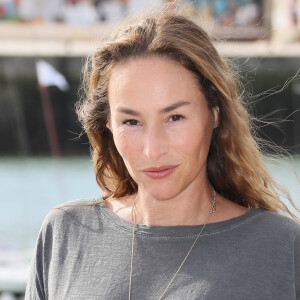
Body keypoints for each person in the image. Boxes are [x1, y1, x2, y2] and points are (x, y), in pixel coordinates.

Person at [25, 7, 300, 300]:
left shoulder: (281, 247)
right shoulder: (64, 234)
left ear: (215, 113)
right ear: (108, 125)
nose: (152, 149)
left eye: (175, 117)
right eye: (131, 122)